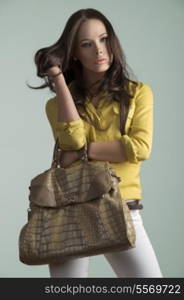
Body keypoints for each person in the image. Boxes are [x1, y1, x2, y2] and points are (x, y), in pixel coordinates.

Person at [29, 8, 163, 278]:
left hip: (121, 207)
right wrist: (58, 79)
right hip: (68, 214)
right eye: (86, 44)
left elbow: (139, 148)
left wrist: (82, 153)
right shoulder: (57, 105)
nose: (99, 50)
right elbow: (72, 138)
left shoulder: (137, 94)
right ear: (75, 52)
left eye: (103, 39)